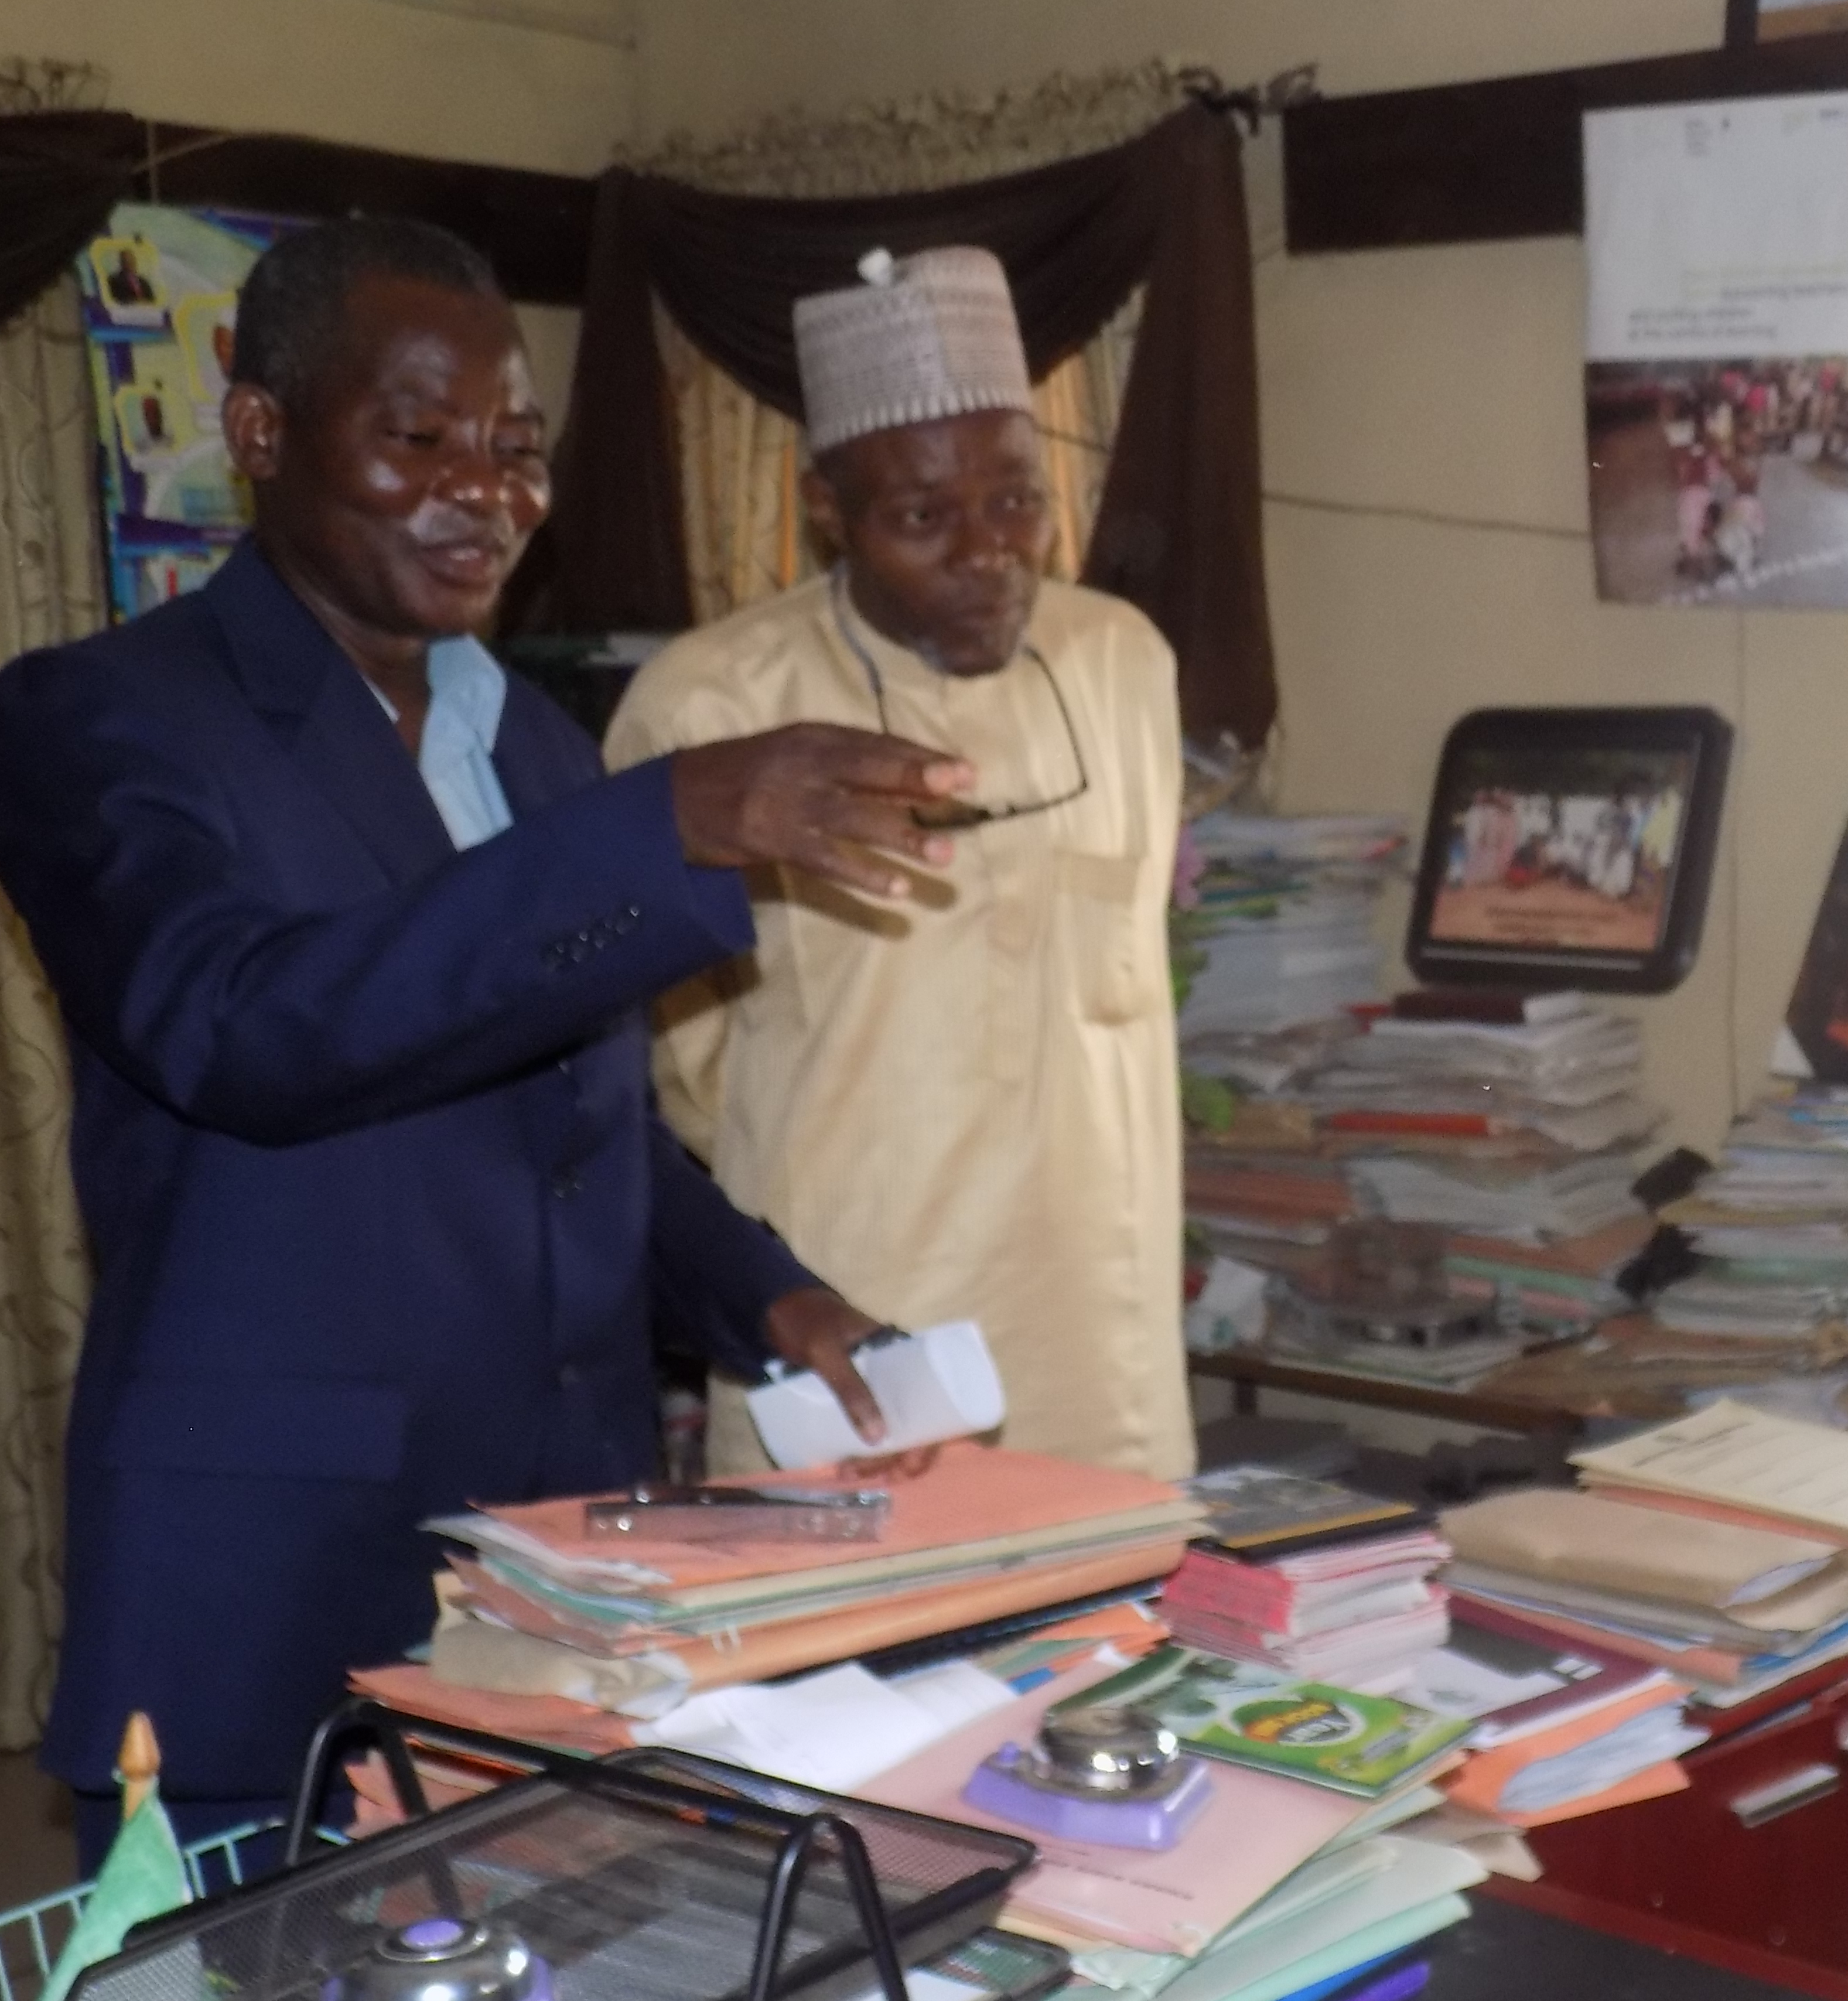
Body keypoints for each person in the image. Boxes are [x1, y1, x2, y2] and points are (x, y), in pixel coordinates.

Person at [0, 215, 974, 1863]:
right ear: (261, 433)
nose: (484, 491)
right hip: (274, 1575)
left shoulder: (527, 740)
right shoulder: (95, 717)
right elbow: (247, 1030)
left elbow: (562, 1107)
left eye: (517, 450)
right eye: (417, 437)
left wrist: (769, 1298)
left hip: (554, 1563)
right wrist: (663, 823)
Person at [604, 247, 1191, 1482]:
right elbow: (684, 1075)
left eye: (1018, 500)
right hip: (851, 1345)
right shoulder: (713, 708)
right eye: (923, 516)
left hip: (1103, 1342)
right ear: (827, 509)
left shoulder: (1123, 662)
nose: (988, 551)